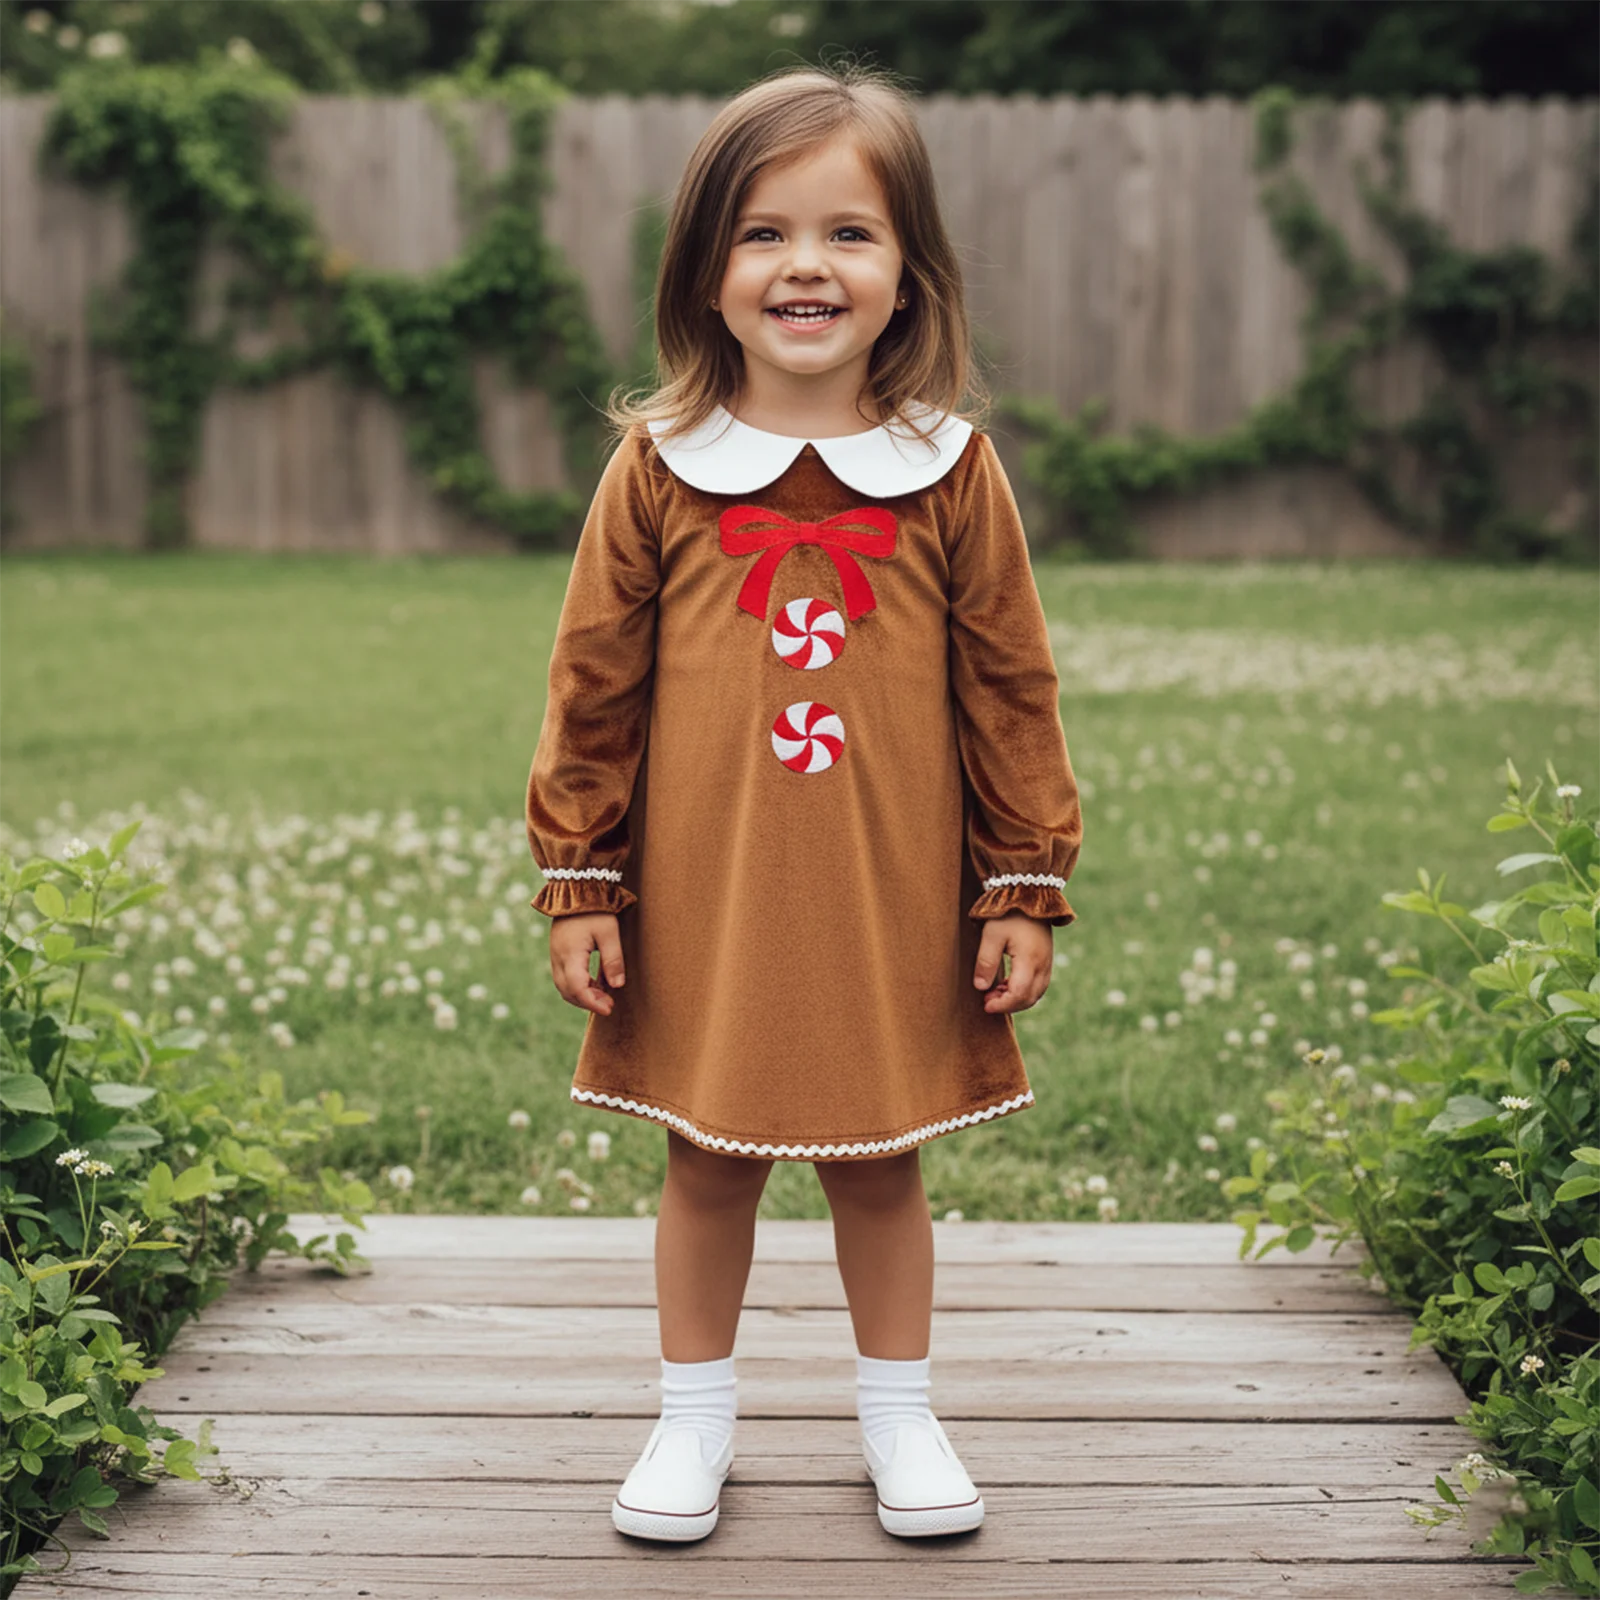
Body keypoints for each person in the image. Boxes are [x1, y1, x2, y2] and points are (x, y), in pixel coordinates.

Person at [524, 60, 1083, 1545]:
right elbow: (592, 687)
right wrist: (579, 877)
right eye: (764, 232)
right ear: (707, 271)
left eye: (849, 233)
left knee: (878, 1161)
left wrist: (1023, 882)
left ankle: (898, 1416)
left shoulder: (951, 472)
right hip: (706, 890)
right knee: (707, 1160)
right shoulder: (658, 472)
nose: (805, 266)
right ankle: (691, 1422)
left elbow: (1011, 691)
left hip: (888, 894)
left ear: (909, 275)